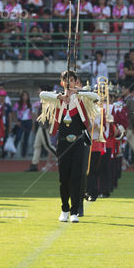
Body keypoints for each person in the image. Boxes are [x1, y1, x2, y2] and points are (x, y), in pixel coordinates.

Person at [38, 71, 101, 222]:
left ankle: (74, 212)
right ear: (62, 83)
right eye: (66, 81)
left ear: (76, 82)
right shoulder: (57, 99)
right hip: (63, 143)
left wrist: (77, 91)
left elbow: (96, 97)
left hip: (78, 143)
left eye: (72, 80)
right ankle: (64, 209)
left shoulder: (81, 98)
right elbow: (43, 95)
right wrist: (60, 96)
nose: (68, 83)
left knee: (76, 177)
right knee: (63, 178)